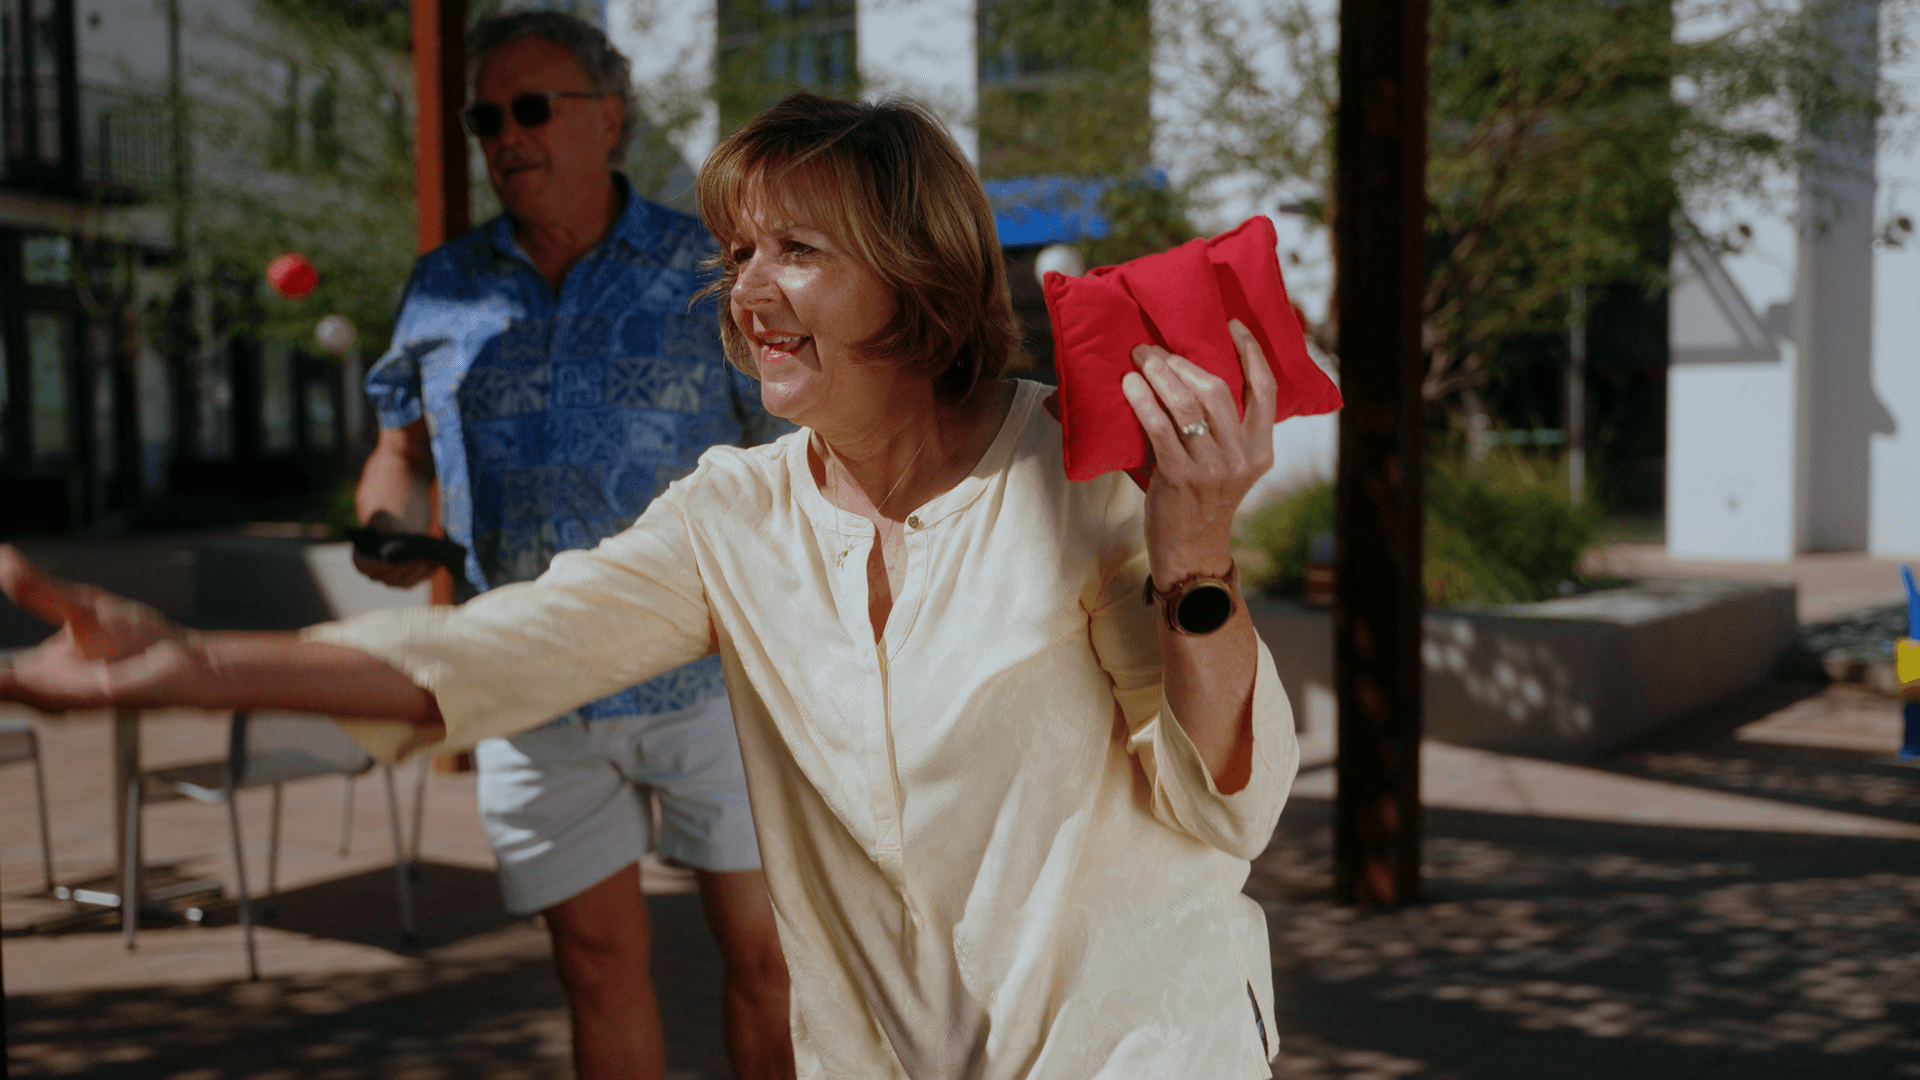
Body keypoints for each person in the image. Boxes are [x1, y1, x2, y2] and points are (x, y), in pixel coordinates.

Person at [0, 92, 1299, 1078]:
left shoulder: (1073, 474)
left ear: (915, 277)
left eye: (796, 250)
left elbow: (1222, 794)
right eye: (739, 251)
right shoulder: (735, 512)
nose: (747, 292)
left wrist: (1193, 554)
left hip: (1138, 1041)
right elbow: (505, 650)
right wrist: (185, 663)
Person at [311, 12, 792, 1080]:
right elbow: (397, 450)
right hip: (531, 686)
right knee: (593, 963)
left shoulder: (704, 268)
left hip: (716, 677)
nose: (505, 136)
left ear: (609, 119)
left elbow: (792, 452)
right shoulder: (443, 285)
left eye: (534, 108)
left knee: (772, 957)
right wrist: (386, 523)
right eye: (488, 116)